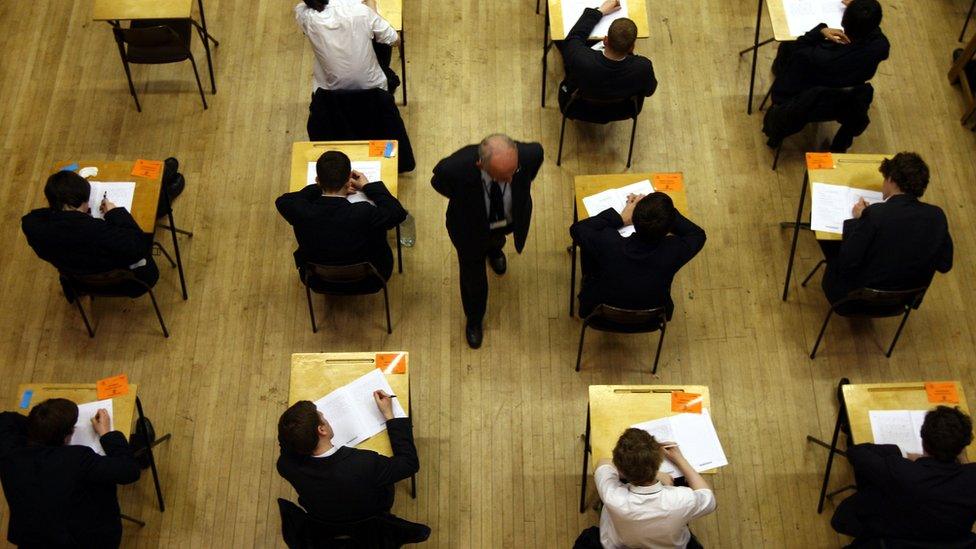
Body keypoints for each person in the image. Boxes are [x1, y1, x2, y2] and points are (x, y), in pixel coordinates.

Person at [431, 134, 544, 349]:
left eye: (514, 172)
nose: (511, 180)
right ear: (480, 165)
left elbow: (530, 171)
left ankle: (494, 250)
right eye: (502, 176)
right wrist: (464, 201)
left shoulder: (531, 154)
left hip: (507, 220)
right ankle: (474, 319)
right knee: (473, 278)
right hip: (470, 229)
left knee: (497, 239)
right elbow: (439, 183)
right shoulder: (455, 168)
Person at [276, 392, 429, 544]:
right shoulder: (364, 464)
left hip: (325, 524)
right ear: (322, 430)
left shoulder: (286, 466)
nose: (325, 418)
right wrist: (389, 414)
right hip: (374, 516)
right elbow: (409, 464)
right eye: (322, 417)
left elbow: (285, 445)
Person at [0, 398, 141, 548]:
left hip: (32, 539)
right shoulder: (76, 460)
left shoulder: (9, 452)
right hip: (82, 540)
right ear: (67, 436)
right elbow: (129, 471)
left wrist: (43, 425)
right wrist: (106, 433)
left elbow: (5, 419)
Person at [819, 152, 953, 304]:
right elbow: (944, 265)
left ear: (891, 179)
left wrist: (860, 220)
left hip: (855, 300)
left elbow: (847, 261)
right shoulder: (937, 216)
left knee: (829, 238)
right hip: (901, 301)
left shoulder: (876, 215)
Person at [831, 406, 976, 543]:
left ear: (923, 439)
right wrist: (964, 461)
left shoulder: (900, 471)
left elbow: (856, 453)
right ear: (962, 448)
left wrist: (902, 453)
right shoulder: (971, 477)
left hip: (893, 536)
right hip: (948, 541)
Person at [764, 0, 889, 152]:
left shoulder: (819, 57)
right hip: (844, 101)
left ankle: (777, 70)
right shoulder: (880, 48)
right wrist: (862, 14)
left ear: (843, 21)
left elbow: (798, 50)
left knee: (787, 46)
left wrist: (820, 31)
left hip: (803, 99)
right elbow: (876, 35)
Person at [276, 150, 407, 291]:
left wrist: (318, 188)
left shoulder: (300, 210)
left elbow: (282, 200)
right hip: (371, 280)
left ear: (317, 180)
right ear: (348, 181)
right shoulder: (364, 212)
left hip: (317, 280)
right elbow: (397, 212)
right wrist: (368, 187)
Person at [21, 170, 159, 300]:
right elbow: (138, 245)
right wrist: (114, 212)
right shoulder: (95, 231)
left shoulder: (32, 227)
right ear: (80, 202)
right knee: (148, 236)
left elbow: (36, 218)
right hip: (126, 282)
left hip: (79, 282)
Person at [570, 192, 705, 319]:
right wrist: (663, 213)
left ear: (633, 218)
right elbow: (698, 235)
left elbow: (578, 229)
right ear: (668, 229)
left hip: (598, 313)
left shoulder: (608, 243)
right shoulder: (673, 251)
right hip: (652, 317)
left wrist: (621, 218)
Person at [575, 428, 716, 549]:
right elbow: (708, 498)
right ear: (659, 462)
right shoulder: (682, 498)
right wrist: (680, 459)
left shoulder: (613, 496)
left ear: (620, 467)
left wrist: (641, 471)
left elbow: (603, 463)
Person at [557, 0, 657, 119]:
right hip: (622, 110)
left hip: (577, 108)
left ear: (605, 40)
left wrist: (599, 11)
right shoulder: (643, 68)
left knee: (559, 40)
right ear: (632, 47)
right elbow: (649, 91)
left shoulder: (581, 59)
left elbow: (573, 38)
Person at [294, 0, 401, 95]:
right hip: (372, 91)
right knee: (382, 46)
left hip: (328, 95)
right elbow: (396, 40)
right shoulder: (361, 11)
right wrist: (373, 11)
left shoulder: (304, 15)